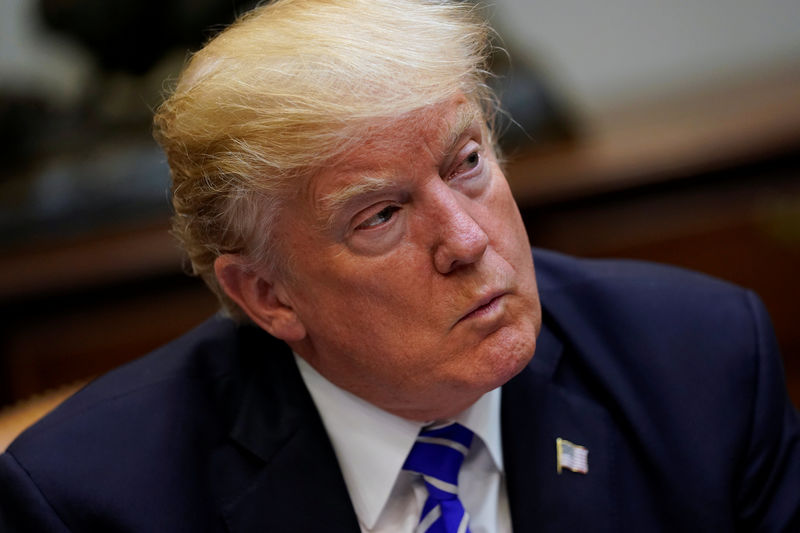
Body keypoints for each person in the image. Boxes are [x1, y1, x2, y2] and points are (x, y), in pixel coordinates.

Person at [1, 0, 798, 531]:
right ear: (267, 293)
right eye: (380, 215)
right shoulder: (93, 503)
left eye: (468, 162)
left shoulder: (702, 364)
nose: (467, 240)